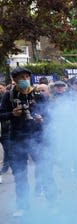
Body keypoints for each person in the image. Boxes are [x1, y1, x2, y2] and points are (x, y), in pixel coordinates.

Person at [0, 67, 55, 216]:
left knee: (45, 170)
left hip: (38, 139)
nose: (24, 80)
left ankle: (52, 203)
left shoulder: (38, 95)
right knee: (20, 174)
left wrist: (42, 120)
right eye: (20, 77)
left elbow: (49, 117)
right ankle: (23, 206)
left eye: (26, 76)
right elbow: (1, 115)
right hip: (17, 139)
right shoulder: (8, 96)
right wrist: (12, 114)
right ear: (14, 80)